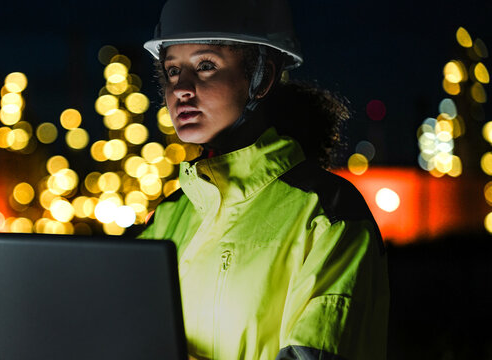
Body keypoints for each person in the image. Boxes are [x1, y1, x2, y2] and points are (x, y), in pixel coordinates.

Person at [138, 0, 389, 359]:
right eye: (173, 70)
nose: (182, 88)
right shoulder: (166, 217)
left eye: (206, 66)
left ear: (262, 77)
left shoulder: (328, 216)